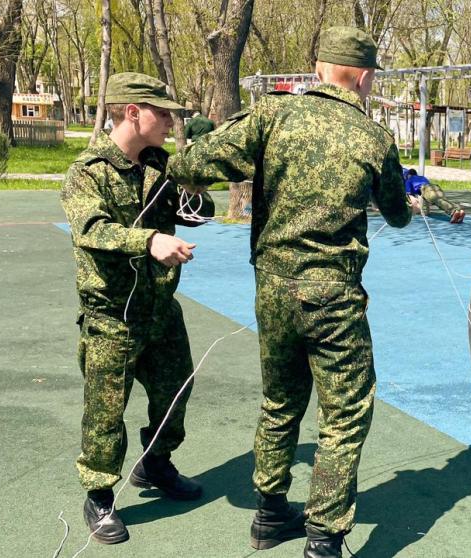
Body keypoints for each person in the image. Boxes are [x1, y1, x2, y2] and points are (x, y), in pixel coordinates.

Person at [168, 27, 411, 557]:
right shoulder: (372, 136)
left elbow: (189, 166)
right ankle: (324, 537)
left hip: (273, 290)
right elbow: (398, 213)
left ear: (318, 68)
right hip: (333, 295)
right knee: (345, 412)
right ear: (365, 76)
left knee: (280, 401)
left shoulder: (271, 116)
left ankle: (270, 514)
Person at [60, 72, 213, 545]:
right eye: (162, 113)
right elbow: (93, 229)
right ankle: (100, 496)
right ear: (133, 113)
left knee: (175, 393)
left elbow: (199, 212)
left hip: (161, 311)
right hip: (112, 317)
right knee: (105, 413)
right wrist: (150, 240)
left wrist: (196, 192)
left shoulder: (161, 167)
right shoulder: (87, 171)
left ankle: (157, 464)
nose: (170, 122)